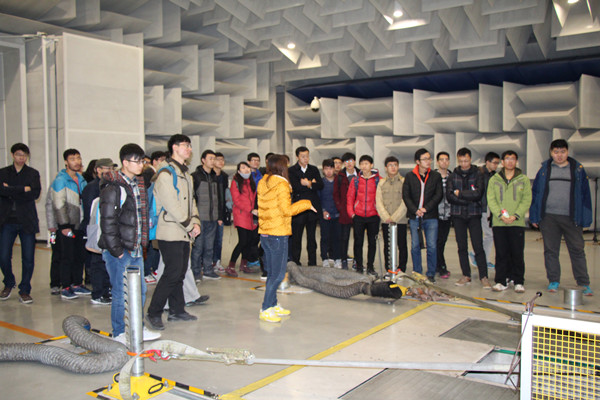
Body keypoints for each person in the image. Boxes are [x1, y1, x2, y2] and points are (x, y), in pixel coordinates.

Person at [98, 144, 160, 343]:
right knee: (121, 293)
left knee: (139, 291)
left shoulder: (138, 184)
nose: (141, 165)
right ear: (125, 163)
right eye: (137, 161)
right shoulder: (113, 187)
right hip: (120, 250)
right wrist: (117, 251)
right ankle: (119, 332)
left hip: (135, 248)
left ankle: (137, 328)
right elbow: (107, 222)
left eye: (143, 161)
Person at [146, 134, 201, 331]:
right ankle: (153, 312)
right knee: (172, 272)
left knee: (180, 272)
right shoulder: (165, 174)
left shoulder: (186, 175)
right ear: (174, 148)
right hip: (169, 231)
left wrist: (196, 222)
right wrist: (189, 225)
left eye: (190, 146)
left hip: (184, 230)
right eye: (185, 145)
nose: (189, 149)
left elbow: (191, 202)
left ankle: (177, 310)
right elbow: (171, 205)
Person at [530, 139, 593, 296]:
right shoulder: (544, 169)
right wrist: (534, 215)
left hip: (572, 217)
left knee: (577, 250)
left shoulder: (577, 170)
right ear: (551, 153)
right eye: (556, 152)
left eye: (562, 152)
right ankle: (553, 281)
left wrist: (586, 218)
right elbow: (536, 193)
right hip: (549, 217)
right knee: (550, 251)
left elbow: (585, 195)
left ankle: (583, 283)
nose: (559, 155)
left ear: (567, 152)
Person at [257, 154, 314, 323]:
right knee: (278, 274)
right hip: (277, 233)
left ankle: (273, 304)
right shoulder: (281, 184)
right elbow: (286, 210)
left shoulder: (263, 182)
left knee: (272, 272)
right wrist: (306, 203)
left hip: (265, 233)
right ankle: (266, 308)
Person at [0, 143, 41, 303]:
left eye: (24, 155)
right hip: (7, 221)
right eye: (18, 154)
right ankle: (9, 282)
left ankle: (25, 290)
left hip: (27, 221)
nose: (21, 158)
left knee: (28, 258)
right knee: (3, 256)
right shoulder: (3, 173)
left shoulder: (32, 173)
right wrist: (23, 189)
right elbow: (1, 191)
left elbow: (35, 193)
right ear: (12, 155)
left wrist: (10, 189)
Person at [487, 150, 532, 293]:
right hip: (499, 222)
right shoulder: (494, 179)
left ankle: (518, 281)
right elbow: (491, 199)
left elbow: (526, 199)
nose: (510, 161)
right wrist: (500, 215)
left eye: (513, 159)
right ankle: (501, 280)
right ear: (502, 162)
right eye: (507, 158)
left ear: (516, 161)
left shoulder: (523, 179)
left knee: (517, 253)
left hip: (516, 222)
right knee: (501, 253)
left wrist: (516, 215)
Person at [447, 148, 490, 289]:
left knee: (478, 246)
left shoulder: (478, 174)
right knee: (462, 247)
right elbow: (450, 196)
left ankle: (484, 276)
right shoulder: (453, 176)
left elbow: (478, 194)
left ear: (470, 159)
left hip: (474, 215)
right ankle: (466, 275)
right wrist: (467, 198)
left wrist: (460, 194)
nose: (463, 164)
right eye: (461, 161)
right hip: (458, 215)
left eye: (466, 161)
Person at [50, 149, 90, 300]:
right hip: (68, 224)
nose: (77, 161)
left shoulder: (81, 179)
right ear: (66, 162)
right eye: (72, 159)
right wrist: (64, 225)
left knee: (79, 255)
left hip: (80, 223)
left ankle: (77, 283)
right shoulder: (61, 180)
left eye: (78, 158)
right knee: (67, 256)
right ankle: (66, 286)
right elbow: (58, 204)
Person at [402, 149, 442, 282]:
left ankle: (431, 273)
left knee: (432, 246)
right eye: (425, 159)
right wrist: (415, 210)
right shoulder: (410, 176)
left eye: (429, 158)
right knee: (415, 246)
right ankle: (417, 272)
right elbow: (406, 196)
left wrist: (426, 208)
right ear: (418, 161)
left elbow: (438, 195)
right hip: (415, 217)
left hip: (431, 216)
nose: (428, 161)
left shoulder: (435, 176)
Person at [81, 158, 113, 305]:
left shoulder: (110, 185)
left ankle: (106, 290)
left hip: (107, 229)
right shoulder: (91, 188)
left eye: (111, 168)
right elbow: (90, 212)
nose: (109, 171)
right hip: (95, 228)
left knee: (107, 261)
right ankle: (98, 293)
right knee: (97, 262)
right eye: (106, 168)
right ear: (98, 169)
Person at [288, 146, 323, 266]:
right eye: (303, 156)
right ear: (297, 157)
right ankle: (296, 262)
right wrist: (311, 183)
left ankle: (312, 262)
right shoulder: (292, 170)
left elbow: (320, 185)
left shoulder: (313, 169)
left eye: (307, 156)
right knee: (296, 237)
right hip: (298, 208)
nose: (305, 159)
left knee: (312, 238)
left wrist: (307, 183)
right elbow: (296, 187)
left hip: (312, 207)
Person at [346, 155, 381, 276]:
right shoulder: (355, 180)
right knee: (358, 242)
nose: (364, 166)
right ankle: (359, 266)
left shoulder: (378, 180)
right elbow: (350, 198)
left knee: (372, 243)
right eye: (362, 164)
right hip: (358, 216)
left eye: (366, 164)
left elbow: (382, 199)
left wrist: (378, 213)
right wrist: (352, 213)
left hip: (373, 216)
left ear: (371, 165)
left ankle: (370, 266)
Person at [191, 149, 222, 280]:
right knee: (198, 247)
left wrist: (219, 215)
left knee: (209, 246)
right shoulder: (195, 176)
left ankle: (208, 270)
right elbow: (192, 197)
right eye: (210, 158)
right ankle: (196, 272)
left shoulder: (215, 177)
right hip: (200, 218)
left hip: (212, 218)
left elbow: (218, 198)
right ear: (203, 160)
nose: (213, 161)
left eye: (214, 159)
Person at [375, 156, 408, 276]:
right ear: (386, 168)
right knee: (387, 246)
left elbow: (405, 202)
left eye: (395, 165)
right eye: (390, 165)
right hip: (386, 221)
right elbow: (379, 202)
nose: (393, 167)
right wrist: (386, 217)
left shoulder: (404, 182)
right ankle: (389, 269)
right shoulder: (381, 183)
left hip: (401, 220)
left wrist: (394, 218)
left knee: (402, 245)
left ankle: (401, 269)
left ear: (398, 167)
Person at [226, 161, 258, 277]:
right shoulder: (236, 182)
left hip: (250, 216)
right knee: (243, 241)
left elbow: (253, 199)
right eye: (243, 168)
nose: (246, 169)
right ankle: (231, 266)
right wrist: (250, 210)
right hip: (241, 215)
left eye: (247, 167)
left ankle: (244, 264)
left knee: (249, 242)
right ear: (239, 171)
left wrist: (254, 210)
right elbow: (236, 200)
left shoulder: (251, 182)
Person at [470, 151, 500, 269]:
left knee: (489, 234)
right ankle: (479, 257)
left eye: (497, 163)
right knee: (489, 234)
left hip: (490, 208)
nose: (496, 165)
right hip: (482, 207)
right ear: (487, 162)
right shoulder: (479, 173)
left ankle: (478, 256)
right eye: (494, 163)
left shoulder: (494, 175)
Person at [334, 152, 358, 270]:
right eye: (346, 161)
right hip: (344, 212)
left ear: (355, 161)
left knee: (358, 237)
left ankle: (357, 260)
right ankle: (344, 259)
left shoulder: (360, 174)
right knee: (344, 237)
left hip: (359, 211)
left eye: (351, 161)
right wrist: (340, 207)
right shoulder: (340, 176)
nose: (349, 163)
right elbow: (336, 194)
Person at [318, 159, 341, 268]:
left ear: (334, 169)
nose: (328, 171)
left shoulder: (339, 181)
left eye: (330, 168)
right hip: (325, 215)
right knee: (325, 238)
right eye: (326, 169)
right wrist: (322, 211)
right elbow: (317, 199)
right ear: (323, 170)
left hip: (337, 215)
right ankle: (324, 258)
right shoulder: (320, 183)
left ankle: (337, 258)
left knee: (337, 238)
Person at [436, 151, 452, 279]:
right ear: (437, 162)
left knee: (442, 241)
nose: (444, 162)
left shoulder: (452, 177)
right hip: (435, 214)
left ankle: (438, 265)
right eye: (441, 159)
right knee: (437, 242)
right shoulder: (432, 176)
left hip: (448, 214)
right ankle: (441, 267)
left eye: (446, 159)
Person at [212, 152, 229, 273]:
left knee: (219, 239)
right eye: (218, 159)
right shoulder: (209, 175)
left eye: (222, 160)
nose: (221, 162)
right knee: (208, 240)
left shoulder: (224, 176)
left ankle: (217, 261)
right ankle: (205, 262)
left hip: (221, 212)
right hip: (209, 212)